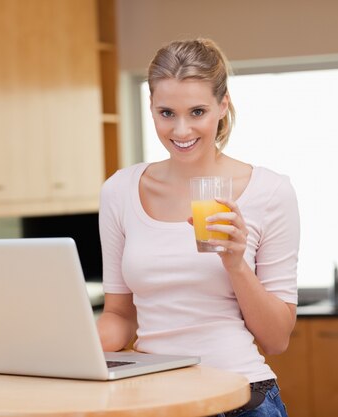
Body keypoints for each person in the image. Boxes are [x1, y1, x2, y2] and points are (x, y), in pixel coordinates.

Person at [96, 38, 299, 417]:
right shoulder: (119, 191)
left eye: (198, 111)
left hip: (241, 399)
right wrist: (63, 346)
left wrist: (236, 263)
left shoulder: (270, 191)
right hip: (153, 400)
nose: (182, 129)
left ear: (223, 105)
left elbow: (276, 340)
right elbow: (120, 317)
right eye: (167, 113)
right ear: (151, 108)